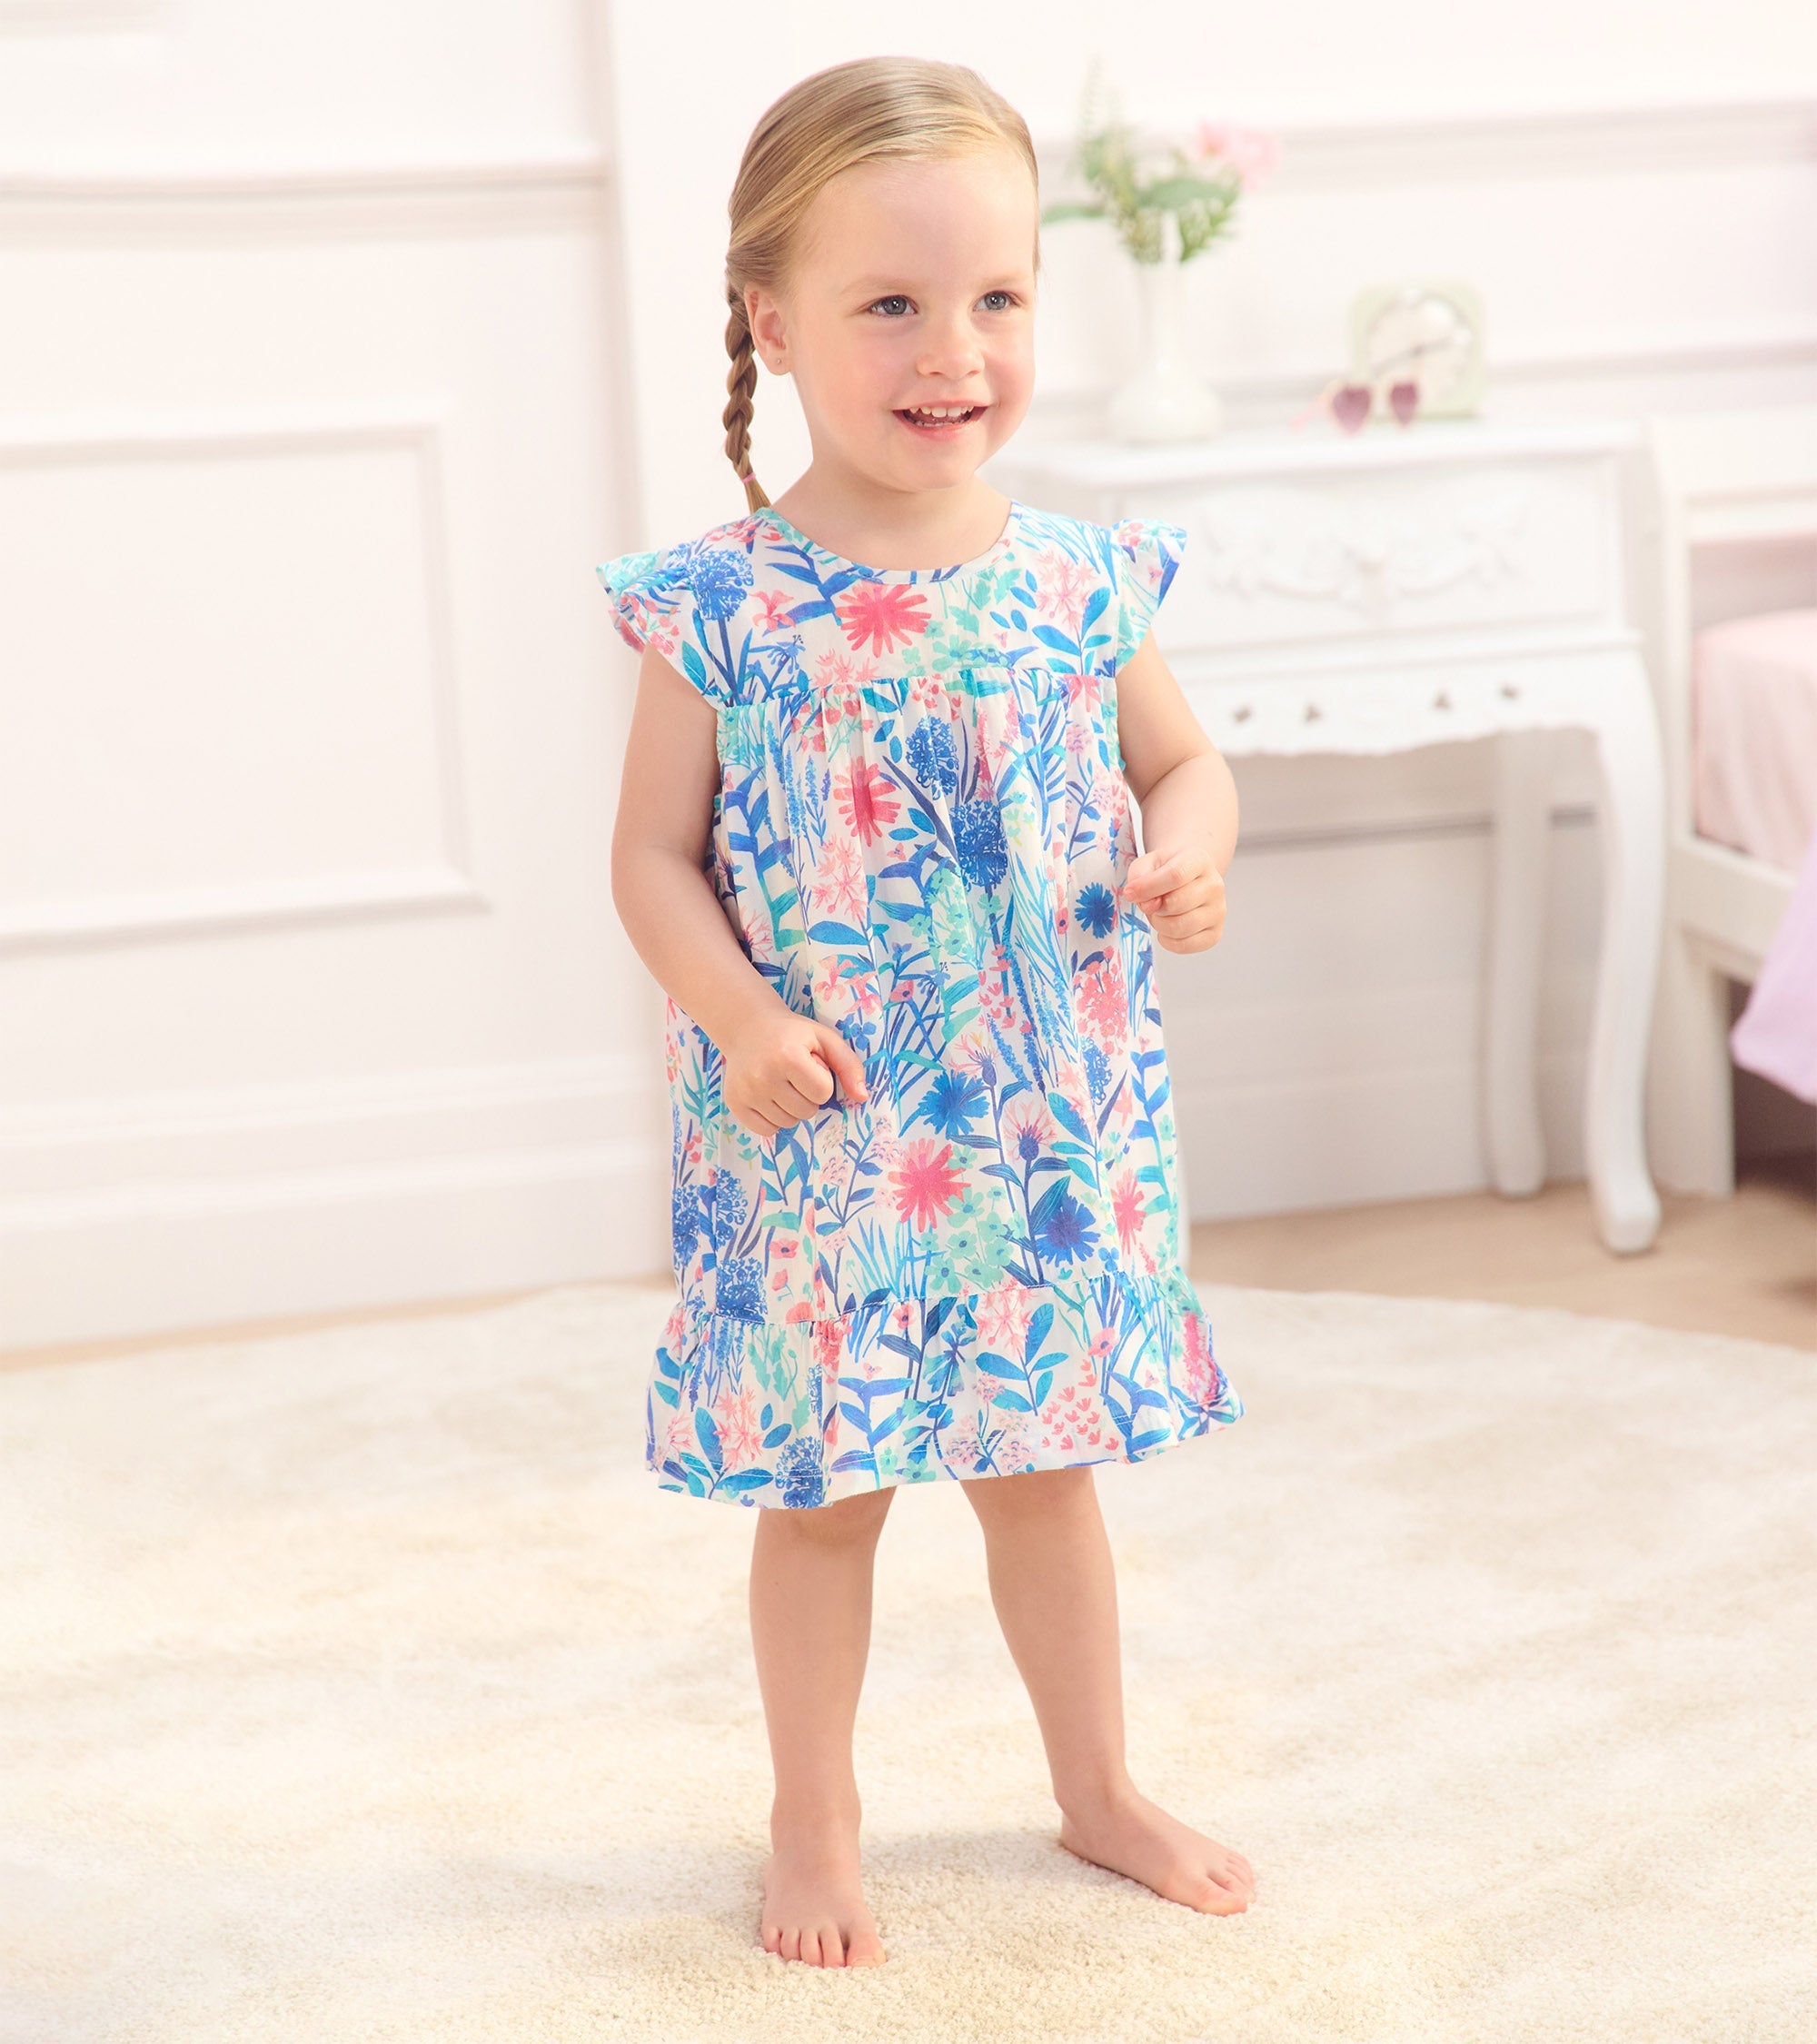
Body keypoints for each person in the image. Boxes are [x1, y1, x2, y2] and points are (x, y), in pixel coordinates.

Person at [601, 55, 1252, 1971]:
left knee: (1044, 1475)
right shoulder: (722, 607)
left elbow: (1186, 760)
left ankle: (1096, 1784)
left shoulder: (1076, 579)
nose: (952, 349)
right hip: (823, 1130)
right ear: (771, 321)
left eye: (996, 297)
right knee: (829, 1497)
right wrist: (736, 1017)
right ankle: (813, 1815)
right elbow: (647, 859)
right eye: (890, 302)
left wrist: (1191, 854)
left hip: (1039, 1127)